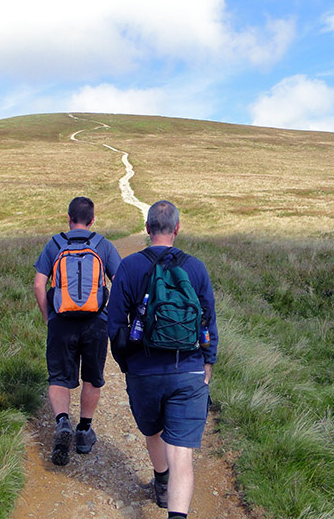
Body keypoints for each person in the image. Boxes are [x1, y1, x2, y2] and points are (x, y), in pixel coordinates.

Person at [107, 200, 218, 518]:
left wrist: (127, 364)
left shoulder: (129, 267)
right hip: (189, 370)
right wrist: (207, 362)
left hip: (144, 371)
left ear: (147, 229)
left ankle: (161, 482)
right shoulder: (195, 267)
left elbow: (115, 324)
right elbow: (208, 320)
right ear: (177, 229)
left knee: (153, 431)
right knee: (181, 453)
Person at [34, 196, 122, 466]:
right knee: (92, 378)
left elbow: (39, 285)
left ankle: (62, 423)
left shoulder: (55, 243)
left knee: (59, 377)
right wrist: (110, 317)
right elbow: (118, 282)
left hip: (62, 320)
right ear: (92, 220)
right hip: (96, 322)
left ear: (68, 218)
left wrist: (49, 318)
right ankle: (84, 431)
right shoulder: (102, 244)